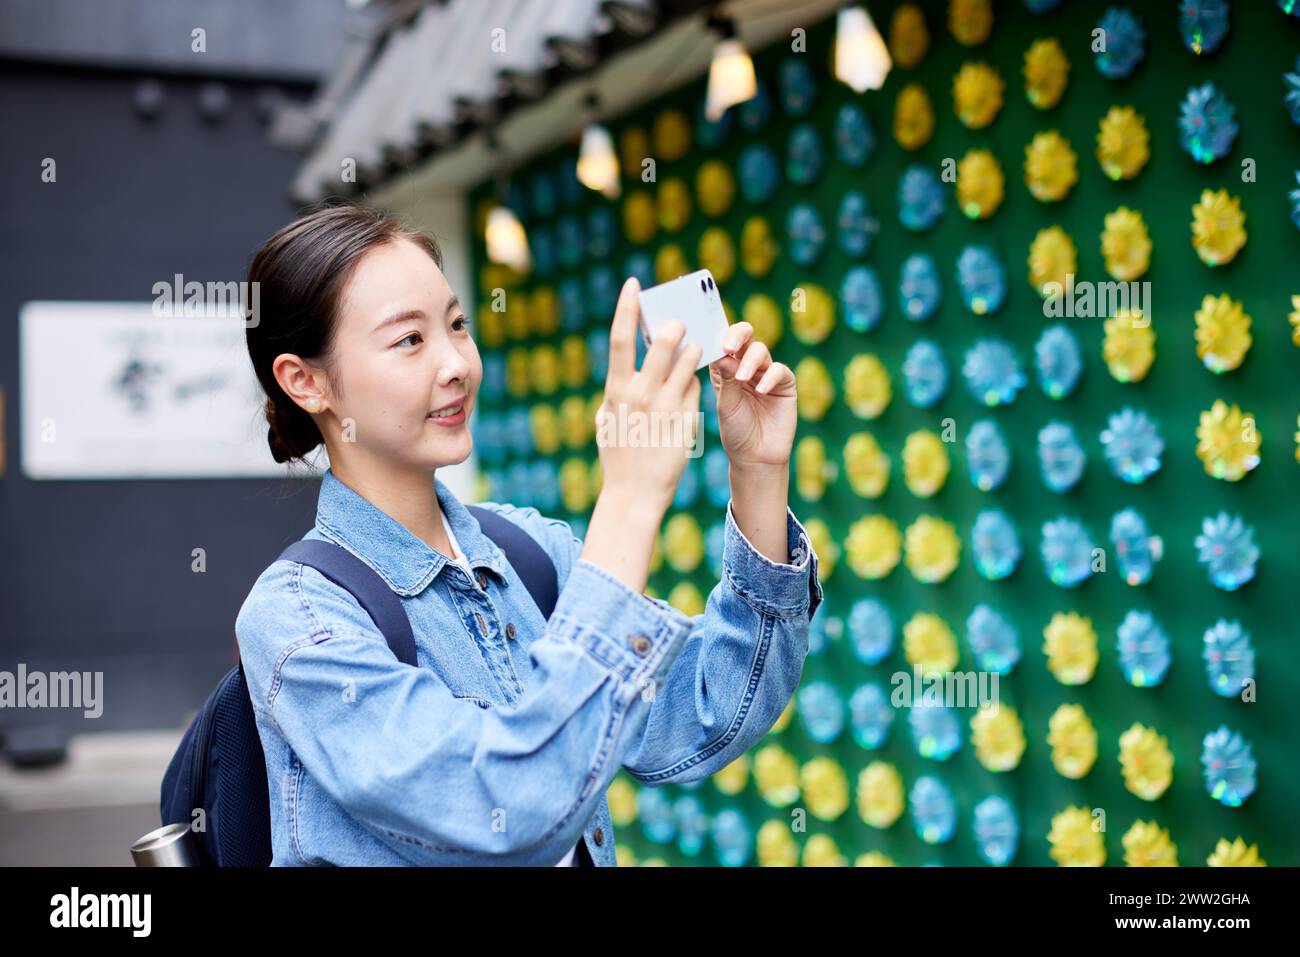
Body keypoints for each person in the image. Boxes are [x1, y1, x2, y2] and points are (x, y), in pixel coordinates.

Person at [235, 202, 823, 866]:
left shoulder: (526, 550)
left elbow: (711, 709)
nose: (456, 361)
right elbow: (506, 810)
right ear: (305, 381)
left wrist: (758, 471)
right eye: (410, 339)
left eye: (458, 324)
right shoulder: (298, 620)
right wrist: (628, 499)